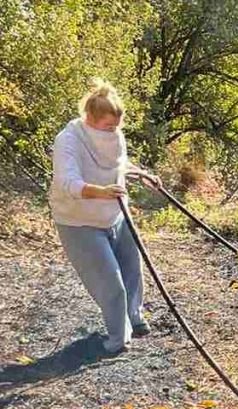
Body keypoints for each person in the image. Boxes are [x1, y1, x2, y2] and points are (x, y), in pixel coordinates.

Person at [48, 78, 161, 354]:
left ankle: (134, 317)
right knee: (110, 281)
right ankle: (117, 337)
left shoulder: (114, 134)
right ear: (89, 118)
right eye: (108, 126)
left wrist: (142, 175)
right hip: (79, 221)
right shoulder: (68, 140)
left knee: (133, 268)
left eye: (116, 126)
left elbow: (119, 164)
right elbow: (66, 183)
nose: (114, 131)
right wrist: (100, 191)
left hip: (114, 214)